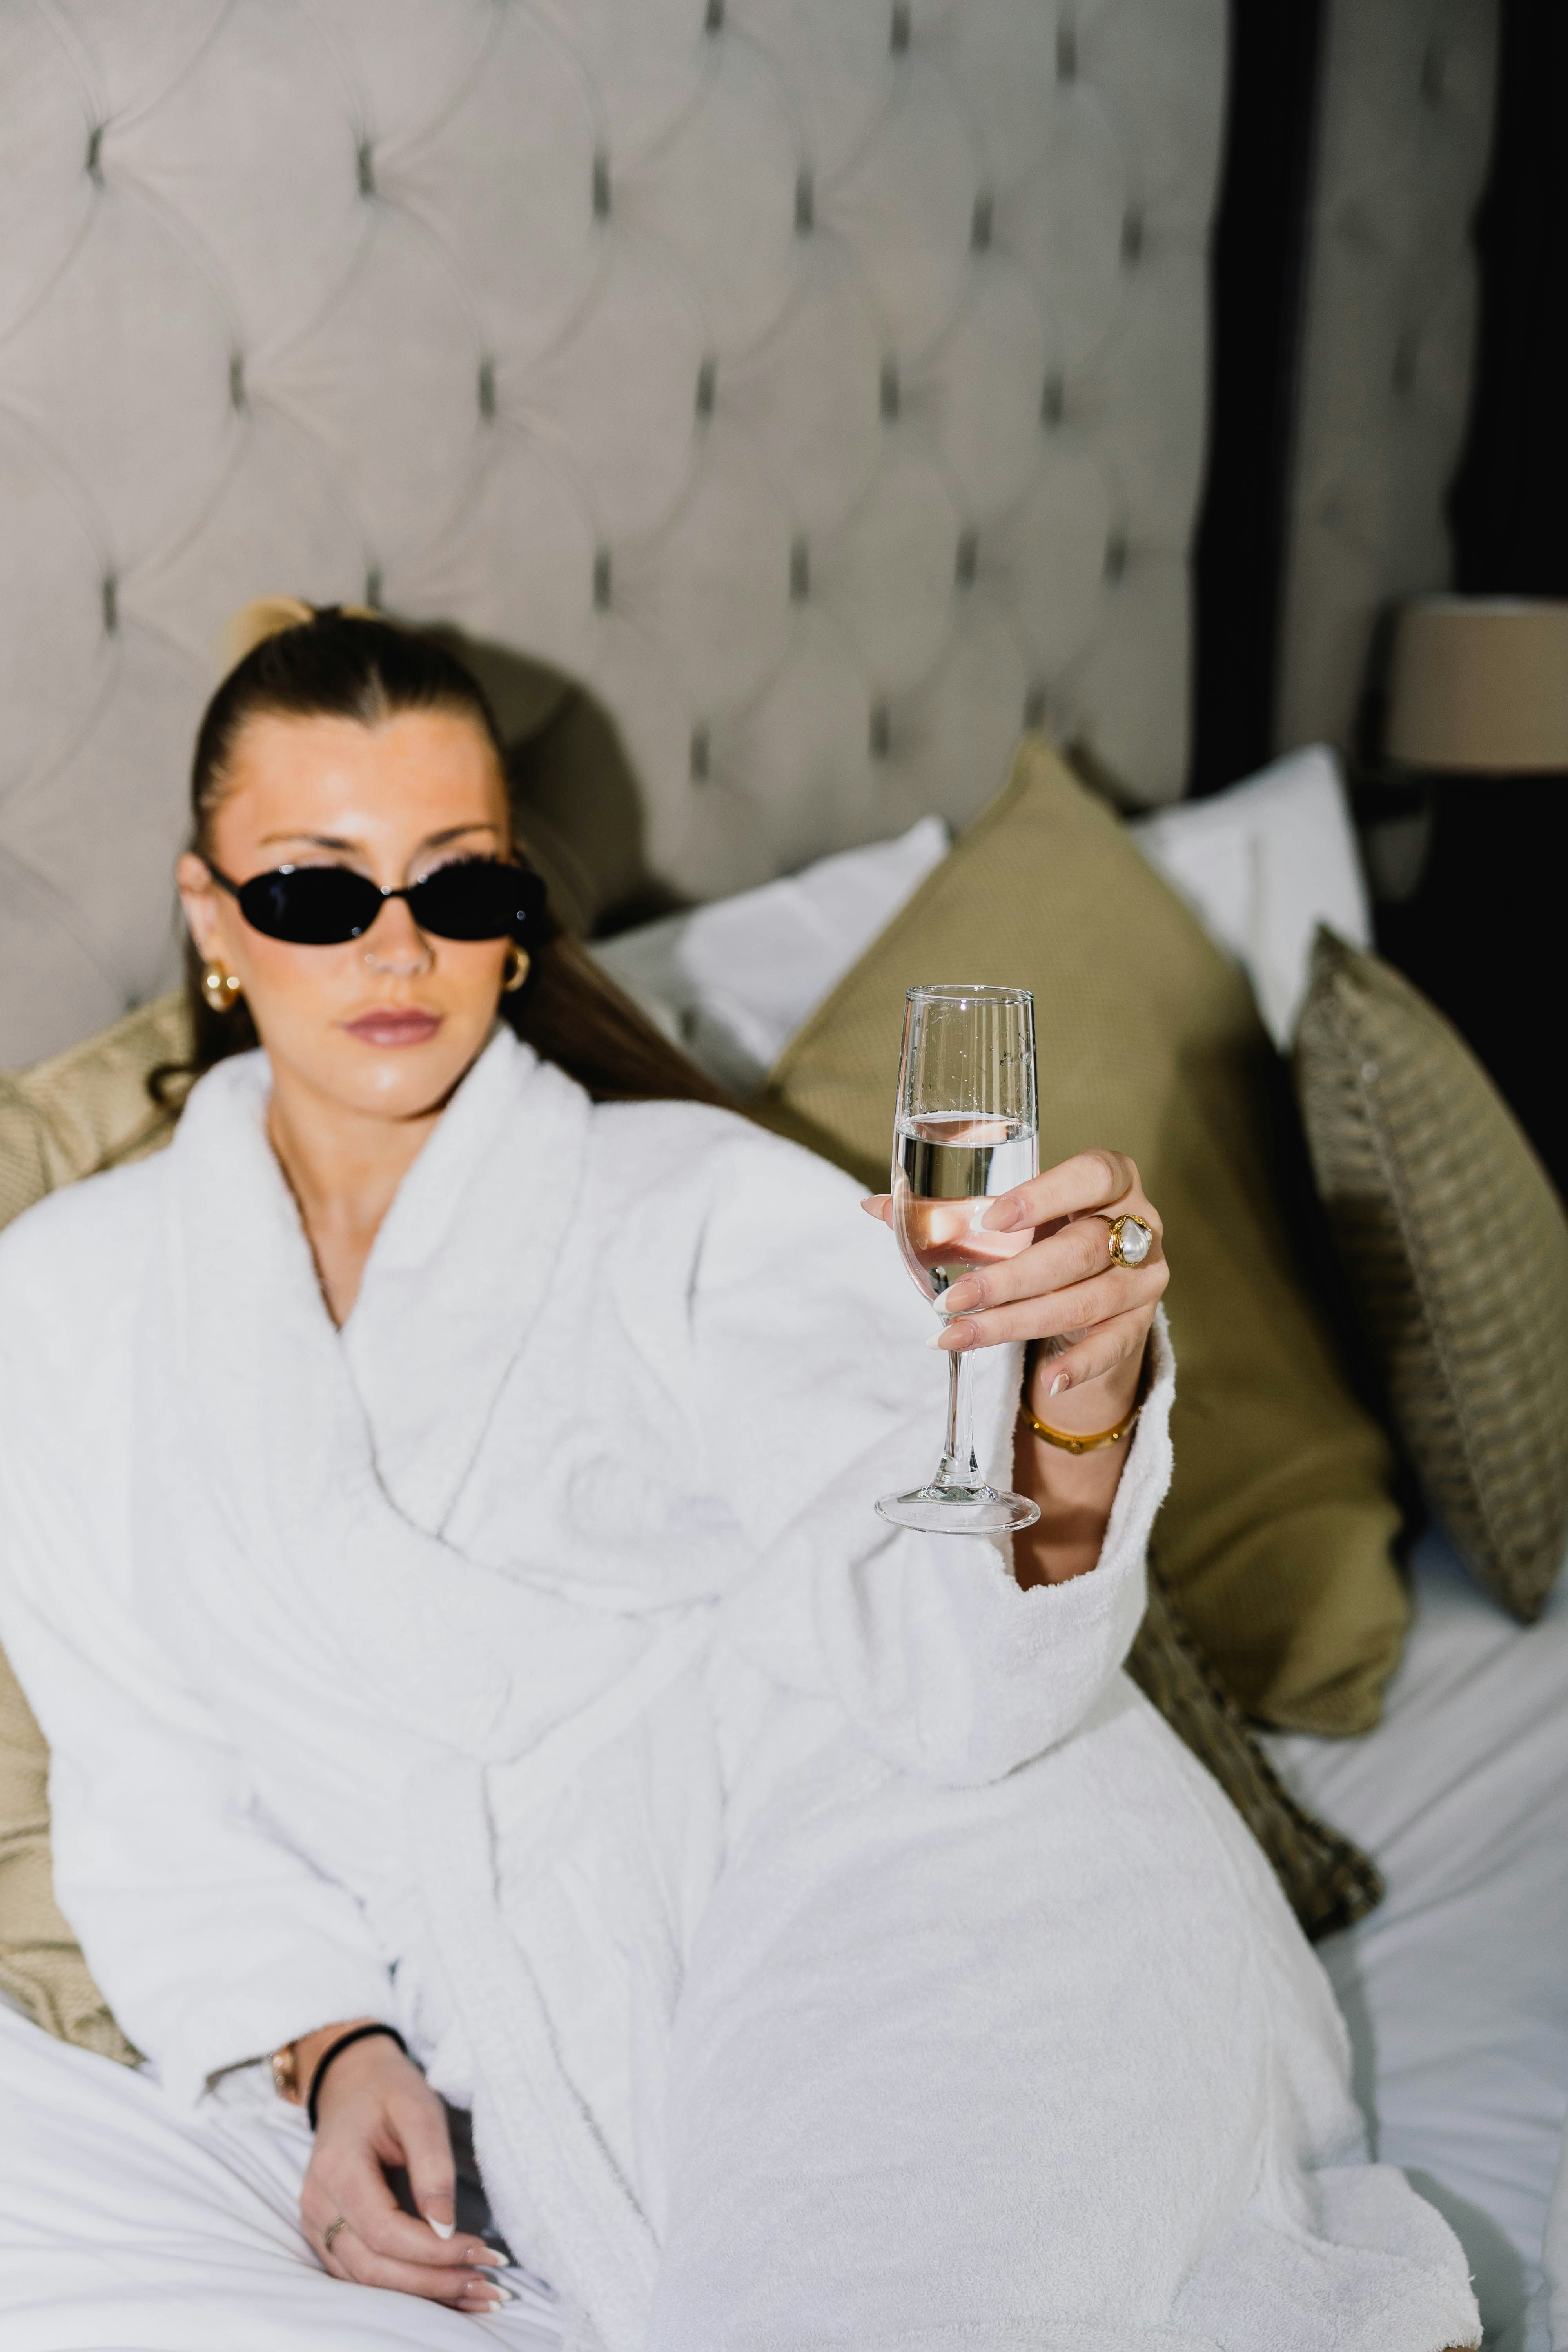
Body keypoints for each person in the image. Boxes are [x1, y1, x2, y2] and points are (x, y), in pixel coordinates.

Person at [0, 606, 1478, 2352]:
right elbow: (147, 1786)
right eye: (322, 890)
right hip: (606, 1986)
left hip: (934, 1843)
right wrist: (333, 2047)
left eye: (459, 887)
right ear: (212, 919)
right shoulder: (68, 1306)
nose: (397, 949)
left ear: (519, 925)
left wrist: (1064, 1412)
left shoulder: (691, 1201)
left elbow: (947, 1634)